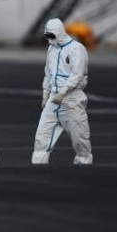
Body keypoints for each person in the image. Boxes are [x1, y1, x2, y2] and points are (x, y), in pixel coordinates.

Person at [32, 18, 93, 165]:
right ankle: (38, 168)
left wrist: (63, 92)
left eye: (51, 35)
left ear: (59, 33)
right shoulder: (51, 49)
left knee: (80, 140)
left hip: (72, 99)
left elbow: (77, 74)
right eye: (47, 36)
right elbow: (48, 72)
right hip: (53, 99)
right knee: (42, 136)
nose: (49, 39)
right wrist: (45, 93)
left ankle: (84, 166)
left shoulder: (77, 49)